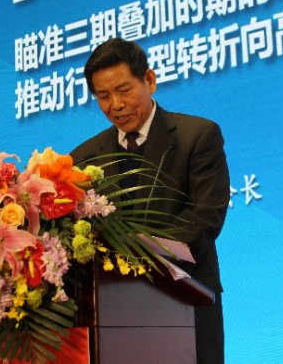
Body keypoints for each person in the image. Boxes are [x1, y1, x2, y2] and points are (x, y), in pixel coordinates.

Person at [71, 38, 230, 364]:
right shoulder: (83, 158)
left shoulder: (197, 136)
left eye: (124, 90)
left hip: (186, 300)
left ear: (150, 80)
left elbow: (205, 217)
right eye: (103, 96)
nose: (115, 104)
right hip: (112, 314)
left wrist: (138, 256)